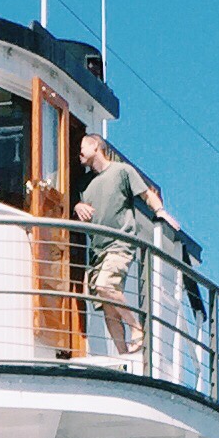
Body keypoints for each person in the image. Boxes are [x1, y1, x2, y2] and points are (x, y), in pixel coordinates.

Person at [71, 133, 164, 354]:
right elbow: (79, 211)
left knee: (106, 286)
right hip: (97, 250)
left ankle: (136, 328)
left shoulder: (122, 171)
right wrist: (76, 206)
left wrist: (160, 212)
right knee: (108, 309)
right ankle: (124, 355)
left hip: (119, 243)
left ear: (95, 146)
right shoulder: (83, 183)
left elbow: (146, 195)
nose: (78, 153)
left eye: (82, 147)